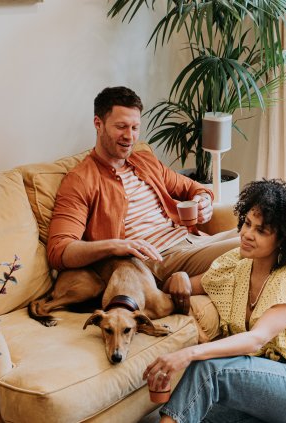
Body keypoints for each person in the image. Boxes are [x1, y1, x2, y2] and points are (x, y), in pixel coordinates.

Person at [143, 179, 286, 423]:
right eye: (247, 223)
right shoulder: (235, 266)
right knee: (193, 408)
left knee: (207, 369)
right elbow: (188, 285)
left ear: (284, 240)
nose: (247, 234)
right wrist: (178, 278)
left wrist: (189, 353)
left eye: (261, 230)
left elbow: (256, 339)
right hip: (253, 385)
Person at [46, 86, 240, 310]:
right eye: (121, 127)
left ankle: (186, 283)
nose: (129, 136)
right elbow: (59, 250)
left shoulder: (144, 161)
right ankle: (171, 285)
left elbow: (193, 188)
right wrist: (115, 246)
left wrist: (203, 200)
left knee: (263, 231)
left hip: (192, 240)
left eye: (135, 127)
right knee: (250, 246)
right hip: (158, 259)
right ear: (98, 124)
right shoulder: (80, 180)